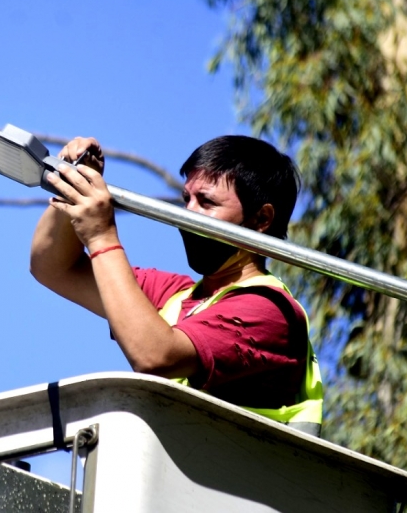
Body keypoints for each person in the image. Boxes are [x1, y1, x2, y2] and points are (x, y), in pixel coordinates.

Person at [30, 135, 323, 435]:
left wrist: (101, 237)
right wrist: (73, 182)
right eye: (186, 199)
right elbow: (55, 268)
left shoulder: (269, 310)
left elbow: (155, 356)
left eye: (207, 202)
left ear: (261, 218)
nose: (189, 213)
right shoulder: (175, 295)